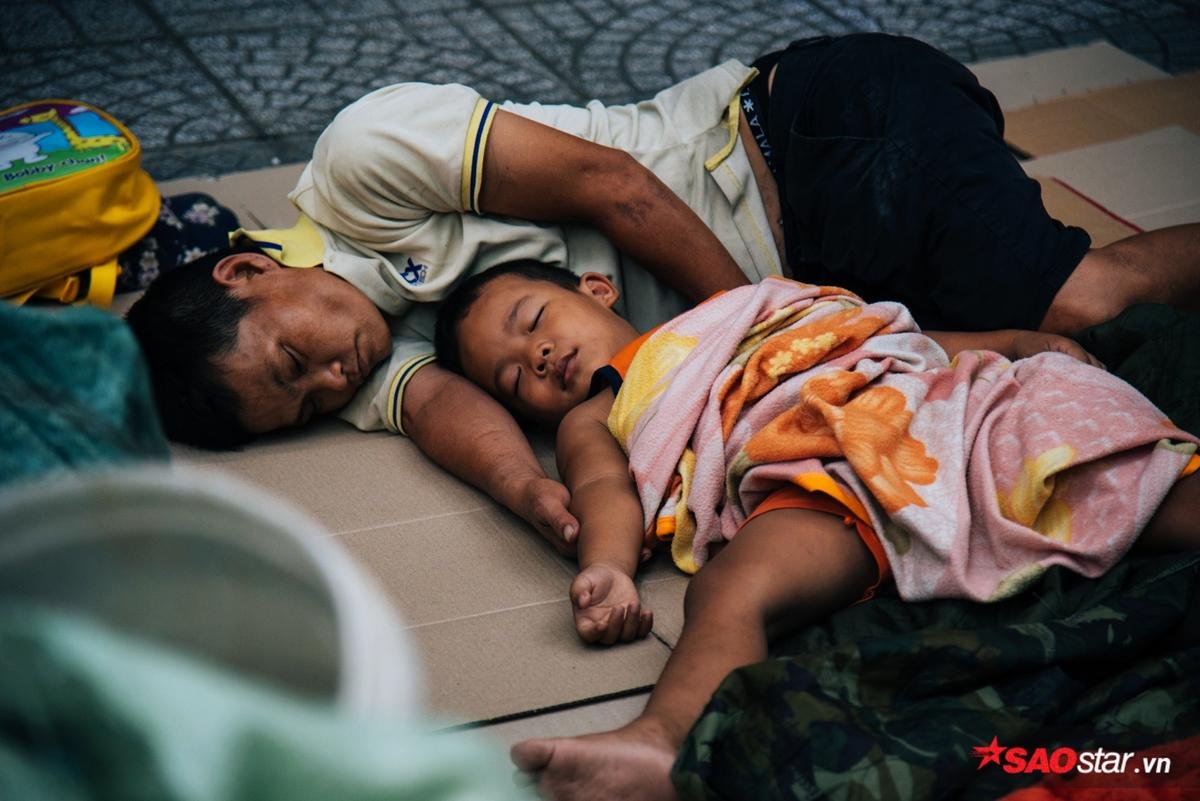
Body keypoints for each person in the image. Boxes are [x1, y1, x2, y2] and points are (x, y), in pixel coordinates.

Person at [126, 33, 1200, 559]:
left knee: (1086, 308)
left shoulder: (364, 157)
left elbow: (614, 185)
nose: (333, 379)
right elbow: (446, 412)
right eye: (310, 404)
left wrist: (783, 332)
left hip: (802, 143)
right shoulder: (352, 356)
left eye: (294, 361)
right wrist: (533, 498)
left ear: (246, 269)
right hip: (826, 270)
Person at [433, 260, 1200, 801]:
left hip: (928, 401)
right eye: (513, 378)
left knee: (1108, 464)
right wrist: (609, 568)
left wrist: (1014, 340)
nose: (534, 356)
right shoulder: (595, 412)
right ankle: (664, 737)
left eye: (531, 321)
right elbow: (604, 489)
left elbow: (886, 333)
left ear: (595, 288)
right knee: (735, 587)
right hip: (812, 465)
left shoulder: (742, 301)